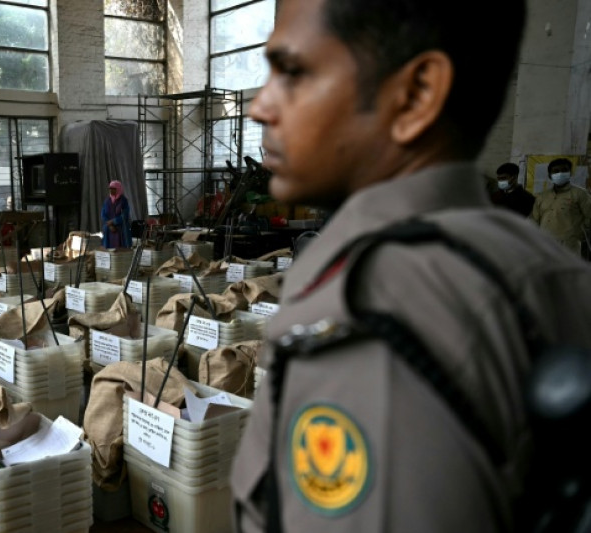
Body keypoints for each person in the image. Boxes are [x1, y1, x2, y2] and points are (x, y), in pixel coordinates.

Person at [231, 1, 591, 532]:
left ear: (417, 94)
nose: (260, 106)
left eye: (293, 72)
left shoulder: (371, 303)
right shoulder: (545, 269)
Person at [530, 157, 591, 255]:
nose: (560, 173)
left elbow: (589, 217)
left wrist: (578, 234)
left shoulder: (580, 194)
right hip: (544, 243)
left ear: (570, 173)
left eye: (564, 170)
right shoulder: (542, 196)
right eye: (556, 171)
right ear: (550, 175)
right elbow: (534, 220)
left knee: (568, 270)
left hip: (569, 245)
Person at [101, 180, 131, 248]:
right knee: (109, 251)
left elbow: (125, 215)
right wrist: (109, 225)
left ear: (118, 189)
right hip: (109, 228)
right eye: (110, 189)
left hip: (121, 229)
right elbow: (103, 214)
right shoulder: (107, 201)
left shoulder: (123, 201)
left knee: (122, 251)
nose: (111, 191)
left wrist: (113, 221)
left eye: (113, 189)